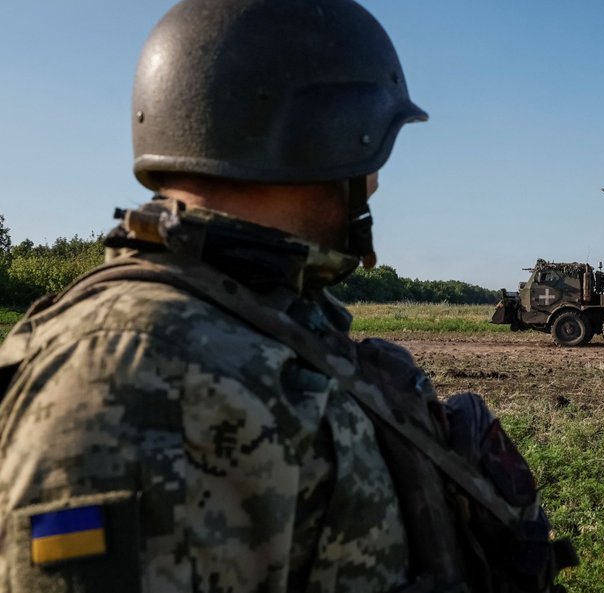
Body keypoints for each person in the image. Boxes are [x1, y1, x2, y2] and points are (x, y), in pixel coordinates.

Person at [0, 1, 573, 591]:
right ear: (325, 136)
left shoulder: (263, 318)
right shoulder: (125, 376)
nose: (376, 179)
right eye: (377, 148)